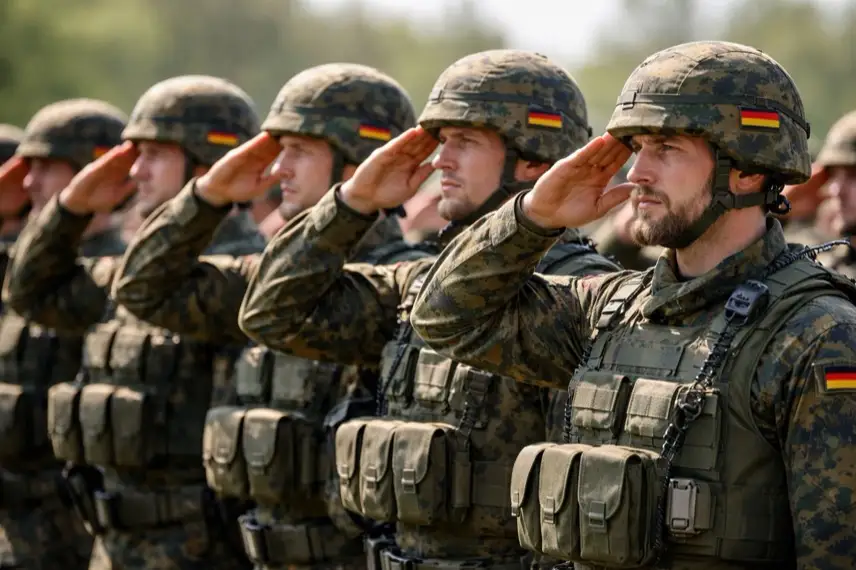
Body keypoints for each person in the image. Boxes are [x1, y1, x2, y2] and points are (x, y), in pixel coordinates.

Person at [410, 40, 856, 570]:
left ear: (748, 172)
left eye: (666, 149)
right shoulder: (606, 312)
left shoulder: (818, 337)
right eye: (637, 148)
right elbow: (443, 317)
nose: (637, 172)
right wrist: (533, 216)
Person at [238, 50, 620, 570]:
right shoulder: (416, 285)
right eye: (441, 142)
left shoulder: (584, 296)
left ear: (533, 158)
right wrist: (351, 203)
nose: (440, 160)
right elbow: (271, 314)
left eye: (464, 142)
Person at [110, 63, 427, 570]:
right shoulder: (265, 272)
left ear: (355, 164)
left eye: (298, 151)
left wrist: (348, 207)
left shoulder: (403, 284)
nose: (278, 169)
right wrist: (209, 196)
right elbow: (144, 288)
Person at [2, 76, 264, 570]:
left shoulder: (247, 273)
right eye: (133, 155)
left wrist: (201, 202)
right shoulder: (120, 275)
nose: (136, 172)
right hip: (112, 545)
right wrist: (72, 207)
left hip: (201, 552)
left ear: (212, 165)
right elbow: (32, 292)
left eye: (155, 155)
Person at [0, 100, 127, 569]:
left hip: (73, 534)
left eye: (46, 167)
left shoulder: (116, 273)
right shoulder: (21, 268)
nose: (27, 183)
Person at [786, 109, 856, 277]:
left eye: (853, 175)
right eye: (833, 175)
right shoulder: (827, 265)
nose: (836, 190)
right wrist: (780, 207)